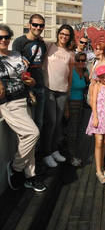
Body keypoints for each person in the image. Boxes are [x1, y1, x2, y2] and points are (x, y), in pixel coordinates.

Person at [0, 24, 46, 192]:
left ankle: (30, 176)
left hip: (25, 98)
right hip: (9, 103)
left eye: (6, 37)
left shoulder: (16, 55)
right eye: (0, 38)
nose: (3, 40)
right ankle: (16, 167)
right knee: (33, 133)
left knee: (28, 139)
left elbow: (28, 78)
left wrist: (30, 82)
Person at [42, 24, 75, 168]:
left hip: (62, 92)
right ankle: (46, 153)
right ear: (58, 33)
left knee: (58, 123)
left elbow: (69, 76)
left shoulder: (71, 54)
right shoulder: (49, 46)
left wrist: (67, 94)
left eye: (67, 34)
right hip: (48, 89)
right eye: (62, 33)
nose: (64, 36)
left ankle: (54, 150)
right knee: (51, 122)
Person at [12, 14, 47, 131]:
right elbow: (14, 66)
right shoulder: (19, 42)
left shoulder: (42, 43)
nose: (38, 27)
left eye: (41, 25)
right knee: (27, 123)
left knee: (39, 122)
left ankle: (36, 149)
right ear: (29, 25)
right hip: (25, 88)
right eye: (35, 24)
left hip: (40, 86)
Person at [86, 65, 105, 184]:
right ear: (98, 77)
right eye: (102, 76)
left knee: (104, 143)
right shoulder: (96, 86)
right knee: (99, 141)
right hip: (98, 117)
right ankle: (98, 170)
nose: (104, 78)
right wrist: (95, 117)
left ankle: (101, 166)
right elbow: (93, 101)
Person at [66, 52, 89, 167]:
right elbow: (67, 90)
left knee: (80, 131)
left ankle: (76, 154)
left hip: (82, 104)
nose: (81, 62)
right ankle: (71, 156)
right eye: (78, 60)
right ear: (75, 61)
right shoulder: (71, 71)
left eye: (83, 60)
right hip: (72, 103)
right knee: (72, 131)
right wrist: (66, 108)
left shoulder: (85, 72)